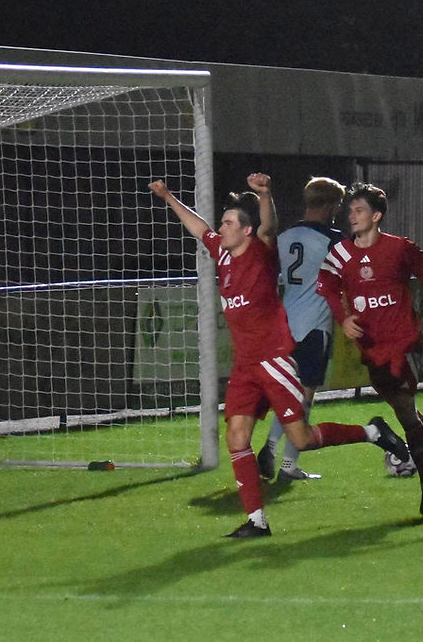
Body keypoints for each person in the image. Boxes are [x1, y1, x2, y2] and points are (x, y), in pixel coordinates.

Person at [149, 174, 409, 539]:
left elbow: (269, 226)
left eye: (227, 223)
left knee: (300, 438)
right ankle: (257, 520)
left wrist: (266, 194)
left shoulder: (260, 252)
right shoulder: (222, 253)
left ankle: (373, 432)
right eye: (222, 222)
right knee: (237, 438)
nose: (220, 229)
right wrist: (168, 197)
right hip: (245, 366)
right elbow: (199, 227)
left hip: (274, 361)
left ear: (246, 230)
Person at [316, 182, 423, 517]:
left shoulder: (400, 249)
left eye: (359, 211)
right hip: (372, 348)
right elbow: (325, 287)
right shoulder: (340, 253)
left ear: (376, 215)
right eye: (350, 210)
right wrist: (343, 318)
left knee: (405, 410)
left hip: (405, 342)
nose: (351, 216)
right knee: (404, 411)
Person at [257, 177, 347, 483]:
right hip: (314, 325)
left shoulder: (286, 235)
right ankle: (284, 462)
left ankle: (273, 452)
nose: (338, 211)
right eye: (337, 205)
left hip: (286, 322)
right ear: (329, 205)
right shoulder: (332, 240)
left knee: (289, 393)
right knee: (304, 397)